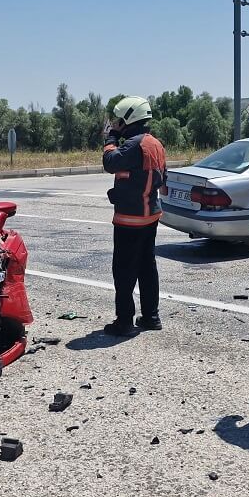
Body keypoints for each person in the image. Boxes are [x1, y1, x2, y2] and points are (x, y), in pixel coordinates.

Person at [102, 96, 167, 336]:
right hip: (150, 215)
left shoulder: (132, 145)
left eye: (119, 119)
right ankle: (151, 316)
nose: (117, 123)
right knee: (147, 266)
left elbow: (109, 162)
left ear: (129, 118)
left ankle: (125, 322)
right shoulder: (155, 143)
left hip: (130, 218)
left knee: (124, 270)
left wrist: (110, 138)